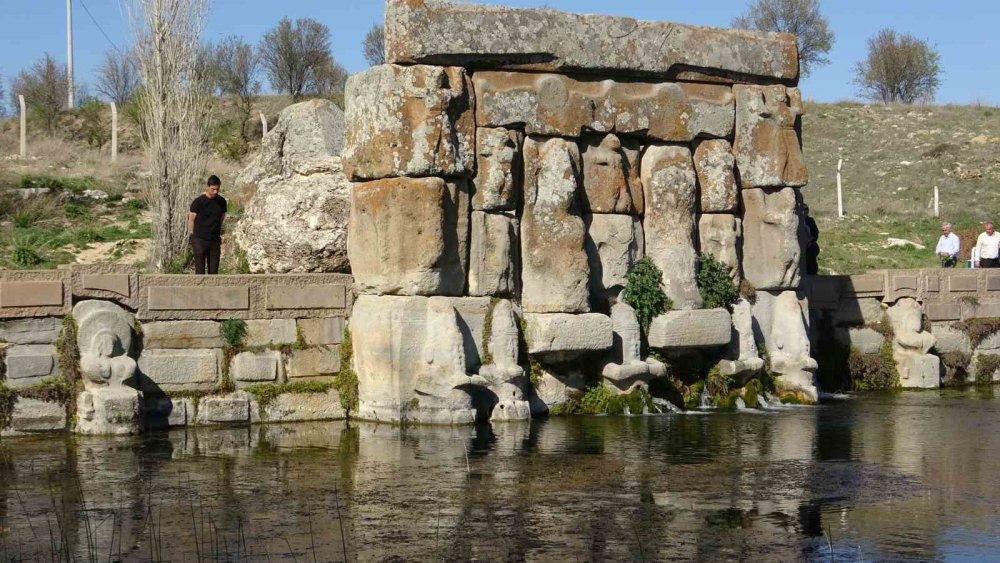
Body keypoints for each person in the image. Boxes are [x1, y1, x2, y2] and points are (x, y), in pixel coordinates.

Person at [188, 175, 227, 274]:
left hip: (214, 240)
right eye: (213, 189)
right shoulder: (198, 202)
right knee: (200, 271)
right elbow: (191, 220)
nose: (215, 192)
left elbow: (222, 218)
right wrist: (192, 236)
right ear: (208, 187)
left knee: (213, 271)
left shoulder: (222, 202)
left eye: (217, 189)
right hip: (200, 239)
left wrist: (218, 232)